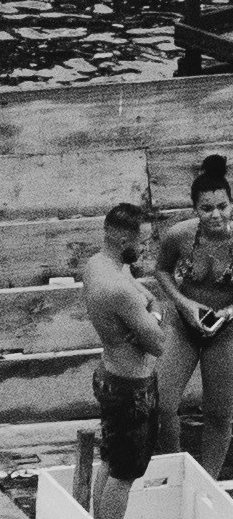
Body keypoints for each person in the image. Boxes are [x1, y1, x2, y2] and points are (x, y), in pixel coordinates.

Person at [84, 194, 176, 491]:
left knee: (111, 461)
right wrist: (157, 317)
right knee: (125, 475)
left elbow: (150, 298)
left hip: (109, 375)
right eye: (143, 241)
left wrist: (152, 313)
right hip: (130, 389)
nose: (146, 247)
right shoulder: (118, 288)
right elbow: (159, 344)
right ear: (124, 239)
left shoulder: (99, 265)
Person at [166, 154, 233, 473]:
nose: (216, 214)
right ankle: (174, 465)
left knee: (219, 414)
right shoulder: (180, 235)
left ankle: (207, 480)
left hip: (226, 329)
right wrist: (184, 304)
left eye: (222, 206)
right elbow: (161, 271)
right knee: (163, 404)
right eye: (207, 208)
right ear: (195, 209)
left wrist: (229, 312)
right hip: (183, 324)